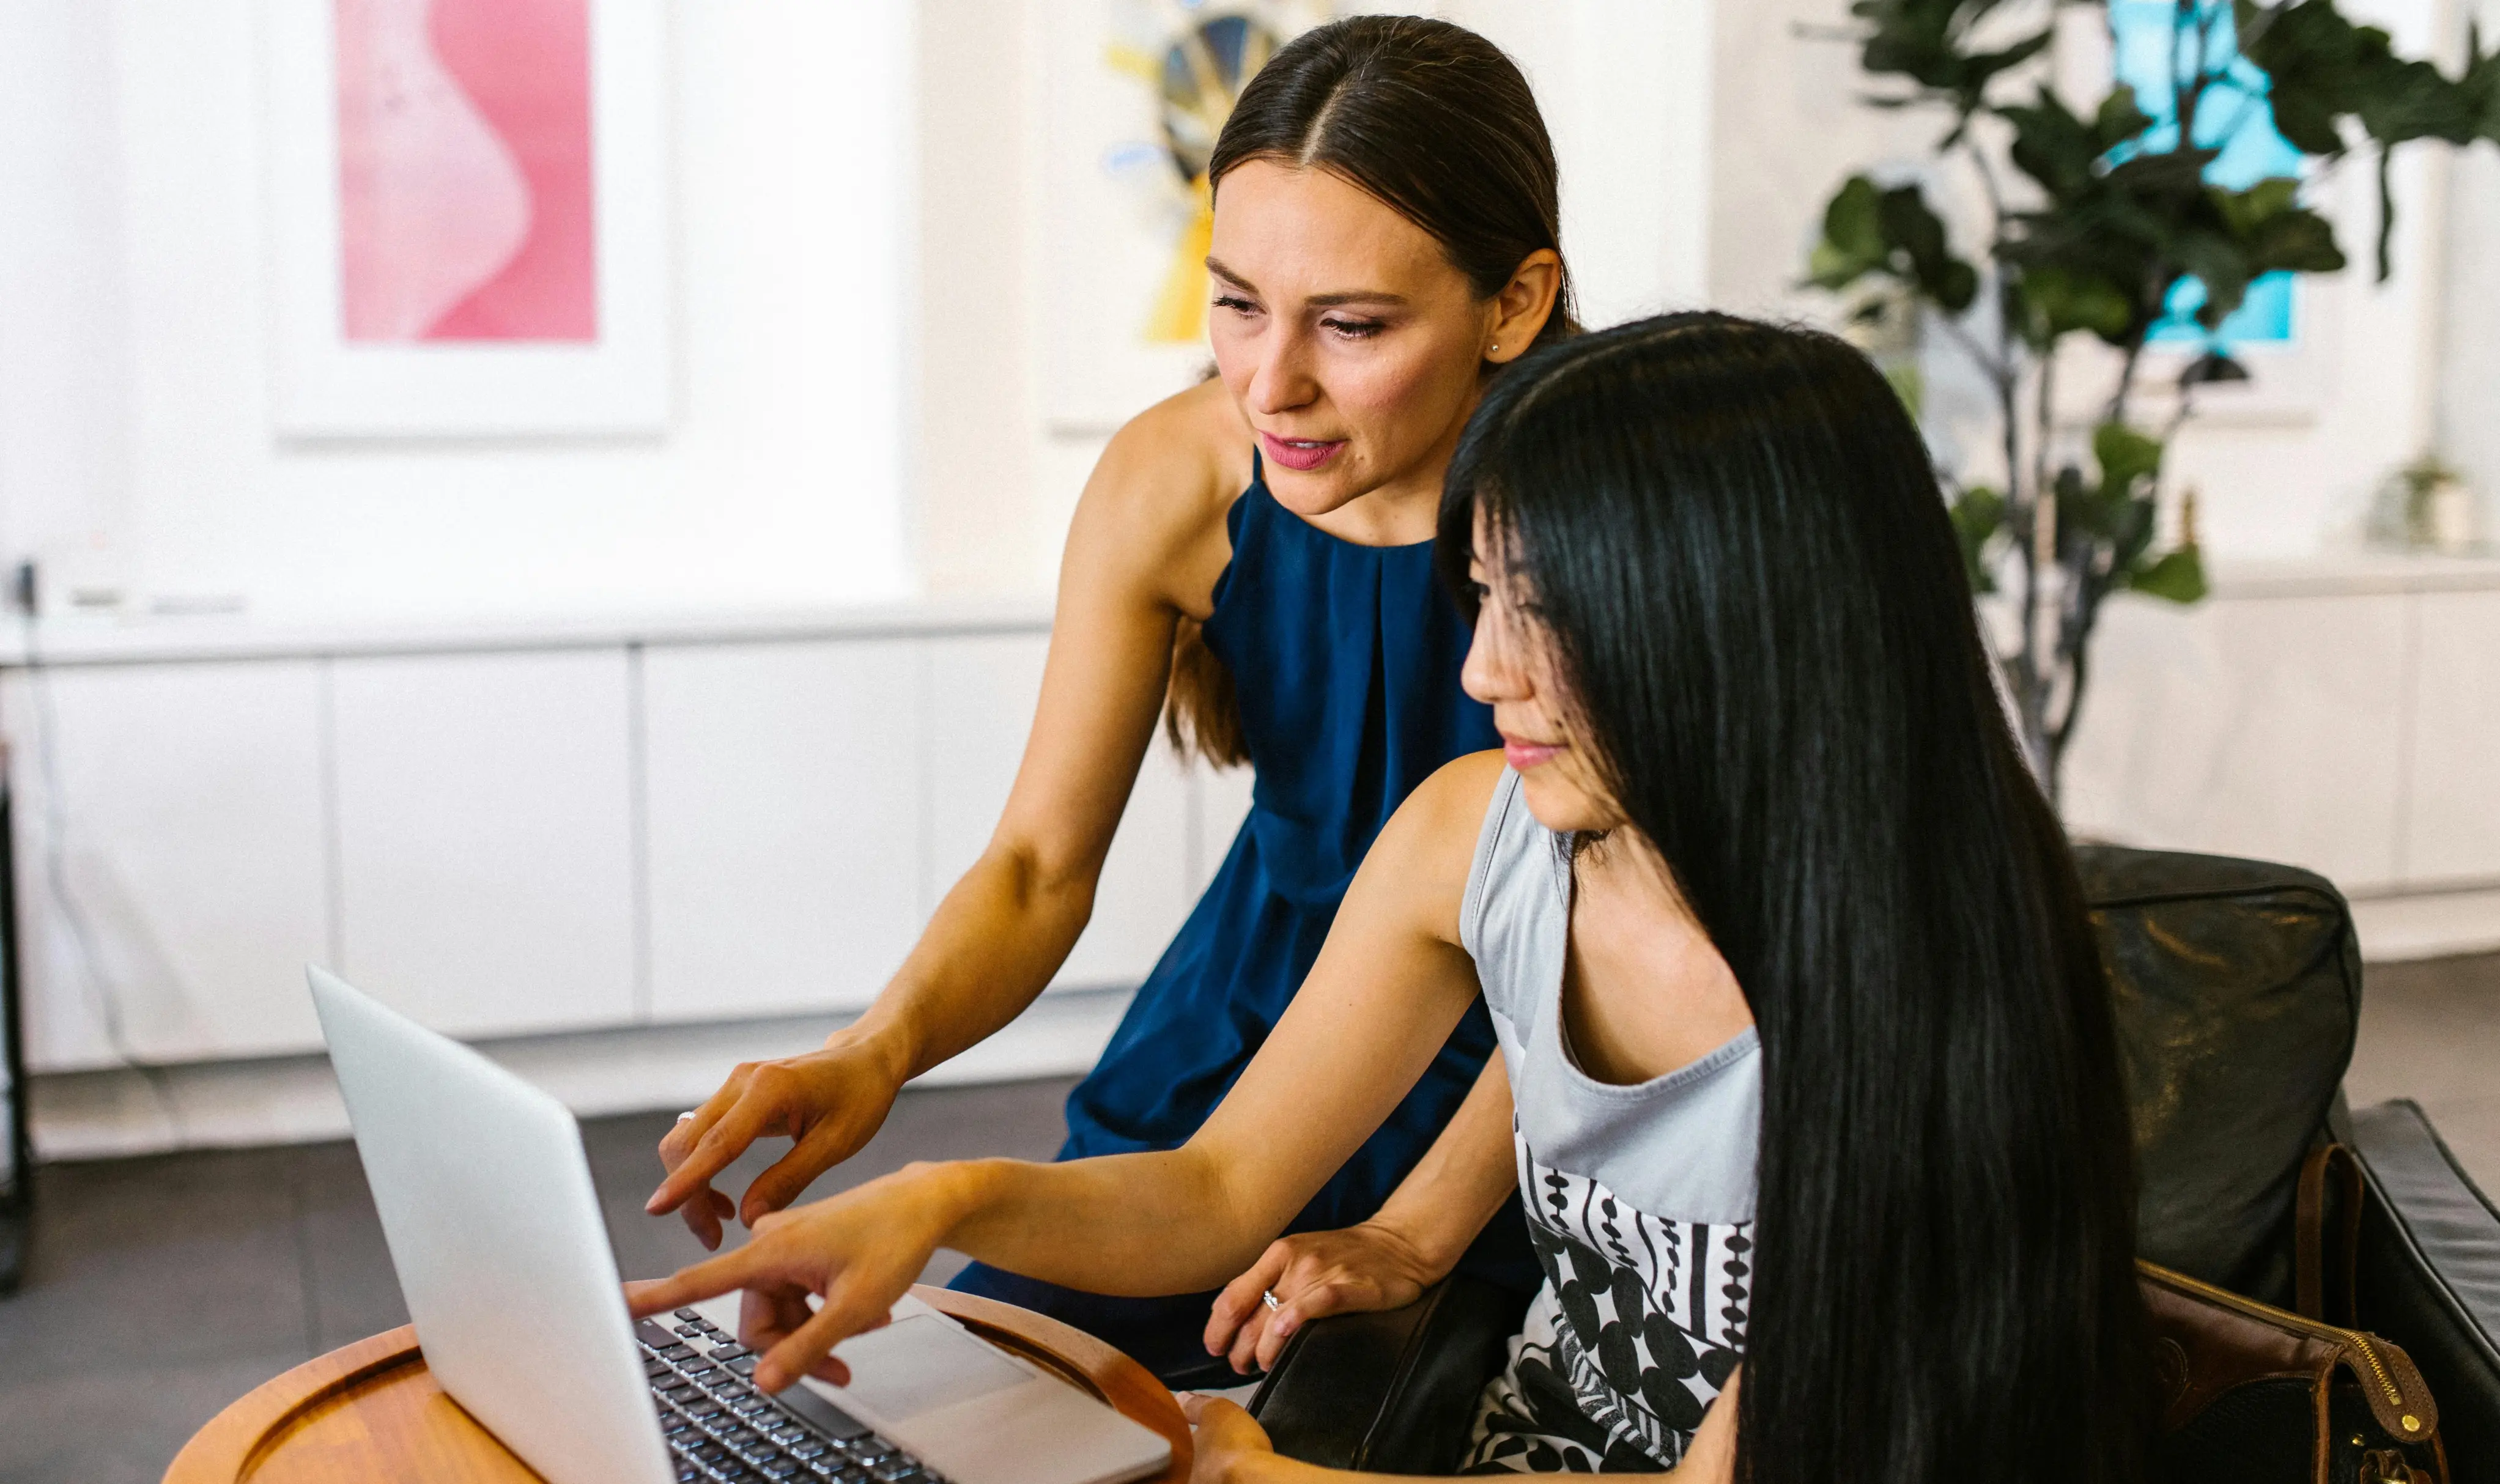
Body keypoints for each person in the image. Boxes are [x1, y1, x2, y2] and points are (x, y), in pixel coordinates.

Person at [629, 313, 2153, 1481]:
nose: (1484, 672)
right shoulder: (1477, 835)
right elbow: (1217, 1193)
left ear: (1726, 628)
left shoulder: (1937, 989)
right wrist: (936, 1195)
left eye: (1544, 617)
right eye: (1482, 599)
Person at [644, 15, 1573, 1387]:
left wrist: (1416, 1228)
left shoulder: (1612, 520)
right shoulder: (1175, 478)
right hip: (1239, 1040)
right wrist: (878, 1050)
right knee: (984, 1399)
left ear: (1513, 303)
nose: (1270, 383)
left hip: (1521, 1080)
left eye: (1353, 325)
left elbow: (1636, 942)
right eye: (1239, 301)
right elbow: (1033, 865)